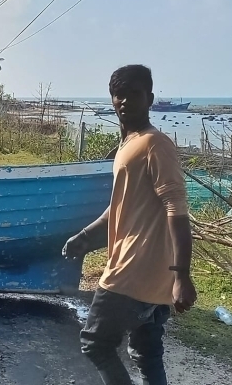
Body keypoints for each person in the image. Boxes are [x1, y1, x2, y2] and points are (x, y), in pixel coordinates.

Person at [61, 64, 196, 385]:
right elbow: (118, 209)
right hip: (148, 273)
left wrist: (183, 276)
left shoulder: (155, 144)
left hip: (133, 272)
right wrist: (84, 237)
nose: (124, 101)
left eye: (133, 94)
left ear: (149, 98)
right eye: (118, 95)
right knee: (146, 352)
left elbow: (177, 208)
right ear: (111, 99)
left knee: (96, 344)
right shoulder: (128, 145)